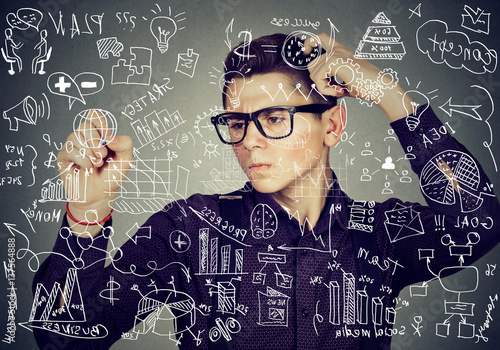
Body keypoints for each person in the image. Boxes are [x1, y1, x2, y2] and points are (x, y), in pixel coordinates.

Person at [33, 32, 499, 350]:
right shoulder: (189, 231)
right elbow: (65, 338)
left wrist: (388, 95)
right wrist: (87, 210)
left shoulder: (378, 237)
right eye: (237, 122)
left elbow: (480, 221)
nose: (249, 139)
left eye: (274, 119)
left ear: (332, 124)